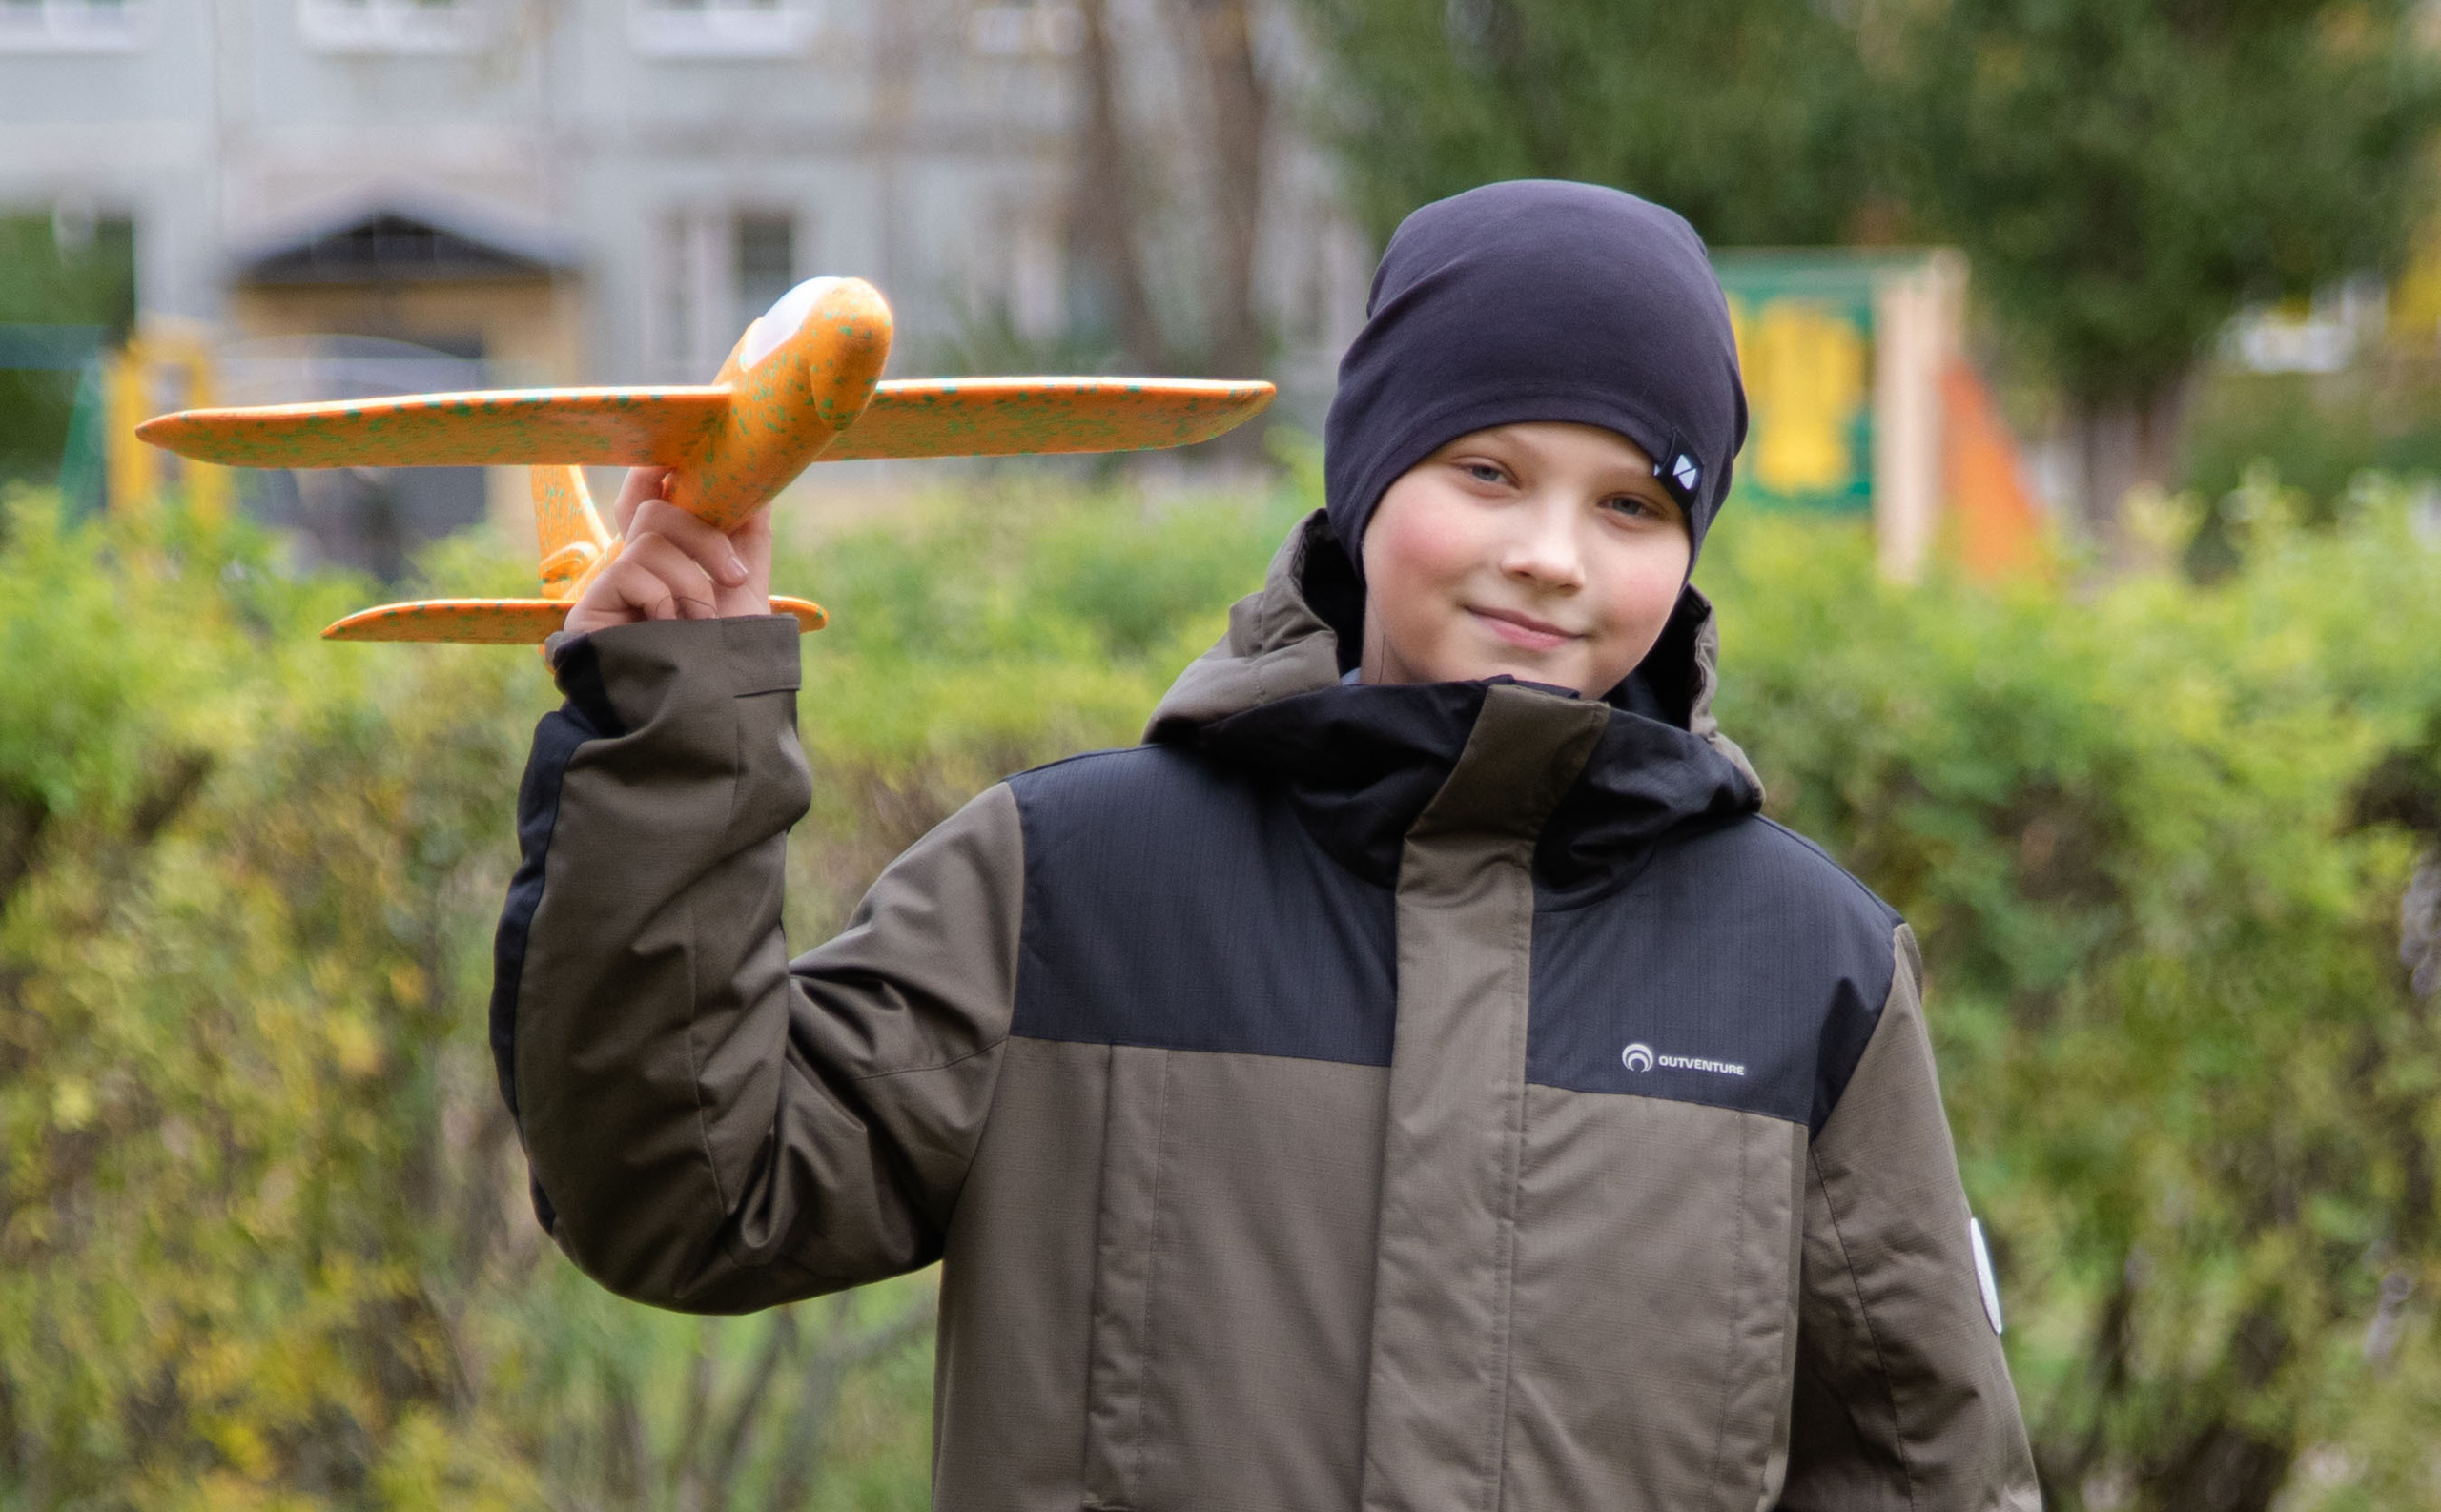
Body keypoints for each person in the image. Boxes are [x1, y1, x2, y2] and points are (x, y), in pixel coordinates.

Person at [493, 179, 2040, 1510]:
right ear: (1368, 481)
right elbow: (685, 1190)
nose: (1551, 556)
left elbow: (1927, 1470)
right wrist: (675, 734)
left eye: (1632, 504)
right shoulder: (1075, 886)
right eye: (1486, 471)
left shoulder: (1803, 968)